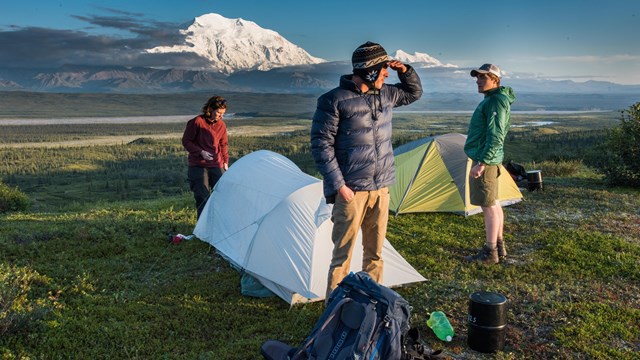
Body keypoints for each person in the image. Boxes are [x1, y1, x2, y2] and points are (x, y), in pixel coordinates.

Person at [310, 41, 423, 296]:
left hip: (381, 188)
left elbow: (414, 93)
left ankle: (371, 302)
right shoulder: (333, 101)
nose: (386, 73)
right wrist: (340, 186)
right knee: (342, 256)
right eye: (383, 68)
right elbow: (321, 145)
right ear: (370, 70)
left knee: (375, 253)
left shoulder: (386, 94)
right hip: (351, 191)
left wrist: (405, 71)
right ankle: (335, 309)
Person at [463, 64, 516, 264]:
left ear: (495, 79)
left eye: (482, 77)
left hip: (485, 159)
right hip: (488, 158)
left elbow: (496, 136)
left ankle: (490, 251)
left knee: (488, 206)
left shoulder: (495, 101)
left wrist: (482, 163)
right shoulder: (494, 99)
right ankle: (498, 246)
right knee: (493, 203)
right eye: (477, 77)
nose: (477, 80)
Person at [182, 95, 229, 219]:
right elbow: (186, 141)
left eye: (223, 113)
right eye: (219, 112)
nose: (221, 116)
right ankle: (203, 229)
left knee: (223, 194)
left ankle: (221, 224)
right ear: (210, 109)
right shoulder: (197, 122)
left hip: (216, 165)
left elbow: (223, 144)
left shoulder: (221, 125)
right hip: (198, 166)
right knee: (202, 197)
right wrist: (200, 152)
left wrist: (225, 162)